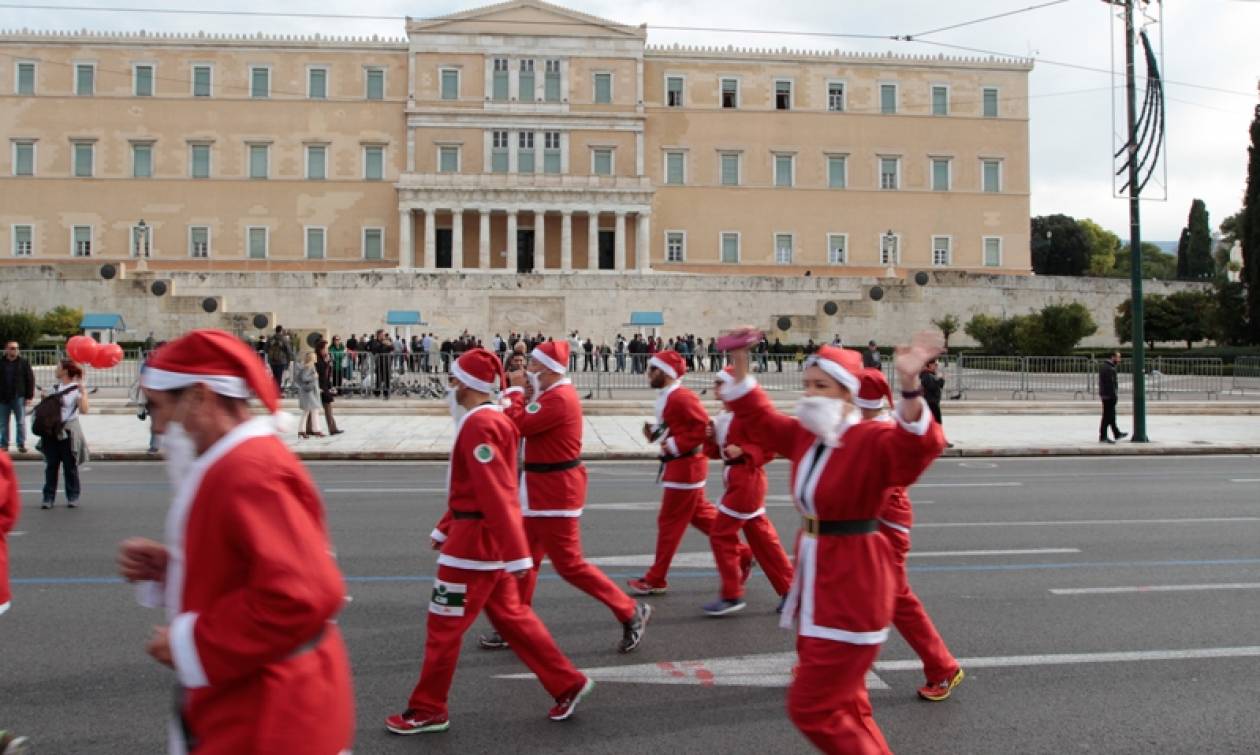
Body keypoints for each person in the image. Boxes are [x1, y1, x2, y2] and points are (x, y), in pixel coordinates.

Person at [118, 329, 354, 754]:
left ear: (200, 397)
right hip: (255, 702)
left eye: (157, 407)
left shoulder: (247, 470)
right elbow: (256, 568)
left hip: (269, 714)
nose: (156, 425)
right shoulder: (231, 463)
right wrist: (178, 568)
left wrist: (191, 643)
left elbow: (304, 595)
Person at [720, 332, 946, 754]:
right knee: (849, 704)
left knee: (812, 709)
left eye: (821, 386)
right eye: (806, 384)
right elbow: (761, 417)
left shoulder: (869, 440)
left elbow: (916, 446)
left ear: (848, 392)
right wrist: (740, 359)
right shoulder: (808, 437)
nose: (809, 394)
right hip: (819, 580)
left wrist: (910, 384)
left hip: (853, 584)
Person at [386, 348, 592, 736]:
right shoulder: (491, 420)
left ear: (465, 383)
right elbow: (477, 488)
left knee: (443, 628)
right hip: (479, 542)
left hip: (473, 550)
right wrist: (446, 525)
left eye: (453, 379)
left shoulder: (480, 425)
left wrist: (516, 555)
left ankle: (428, 709)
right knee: (513, 618)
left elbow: (496, 493)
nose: (450, 387)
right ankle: (567, 682)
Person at [480, 341, 652, 652]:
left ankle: (630, 610)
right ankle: (515, 622)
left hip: (556, 492)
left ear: (546, 369)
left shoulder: (560, 398)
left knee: (569, 564)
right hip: (538, 489)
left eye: (532, 366)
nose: (527, 370)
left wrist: (517, 392)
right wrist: (520, 392)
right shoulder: (549, 395)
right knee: (524, 560)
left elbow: (520, 424)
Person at [855, 368, 963, 702]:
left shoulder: (880, 431)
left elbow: (881, 488)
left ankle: (942, 666)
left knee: (895, 598)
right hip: (877, 524)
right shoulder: (862, 427)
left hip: (885, 525)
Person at [627, 351, 750, 596]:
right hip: (682, 465)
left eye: (652, 369)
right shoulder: (670, 397)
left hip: (686, 468)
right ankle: (742, 552)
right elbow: (681, 427)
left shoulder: (681, 397)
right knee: (700, 516)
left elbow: (703, 428)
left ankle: (656, 578)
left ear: (664, 372)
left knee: (669, 524)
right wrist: (660, 434)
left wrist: (673, 444)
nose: (647, 374)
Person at [702, 369, 794, 616]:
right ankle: (792, 590)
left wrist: (743, 449)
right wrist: (709, 439)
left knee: (721, 534)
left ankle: (731, 594)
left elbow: (769, 448)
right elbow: (713, 453)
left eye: (721, 383)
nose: (716, 387)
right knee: (763, 540)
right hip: (737, 480)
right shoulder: (723, 416)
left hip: (747, 481)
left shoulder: (749, 416)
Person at [36, 360, 88, 509]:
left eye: (58, 367)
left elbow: (84, 410)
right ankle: (48, 498)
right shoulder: (54, 388)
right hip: (51, 432)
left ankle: (72, 496)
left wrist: (83, 393)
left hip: (68, 432)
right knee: (51, 466)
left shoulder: (76, 389)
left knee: (70, 466)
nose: (56, 369)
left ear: (65, 371)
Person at [1, 341, 35, 454]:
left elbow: (30, 379)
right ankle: (4, 444)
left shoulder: (23, 363)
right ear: (6, 349)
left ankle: (21, 444)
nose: (15, 350)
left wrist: (29, 396)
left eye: (16, 348)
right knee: (3, 423)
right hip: (3, 397)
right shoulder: (1, 362)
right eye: (12, 348)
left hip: (18, 397)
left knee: (20, 422)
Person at [920, 358, 952, 448]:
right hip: (931, 403)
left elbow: (939, 385)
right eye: (935, 364)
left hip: (932, 402)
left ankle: (936, 441)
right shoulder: (926, 375)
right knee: (937, 424)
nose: (937, 366)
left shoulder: (929, 374)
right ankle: (941, 441)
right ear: (929, 365)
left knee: (933, 424)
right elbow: (933, 386)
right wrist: (941, 379)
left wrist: (942, 379)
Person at [1098, 351, 1128, 444]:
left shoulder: (1106, 367)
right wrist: (1113, 395)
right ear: (1112, 357)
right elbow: (1110, 384)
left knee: (1111, 416)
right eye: (1118, 357)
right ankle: (1103, 436)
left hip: (1106, 395)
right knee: (1107, 416)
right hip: (1109, 396)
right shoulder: (1109, 369)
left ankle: (1116, 433)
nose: (1119, 360)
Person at [316, 341, 343, 436]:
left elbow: (327, 375)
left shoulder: (325, 359)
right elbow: (321, 373)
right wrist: (326, 363)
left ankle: (333, 428)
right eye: (325, 348)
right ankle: (308, 429)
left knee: (327, 407)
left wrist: (330, 386)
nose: (327, 350)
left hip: (325, 387)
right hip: (319, 387)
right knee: (312, 409)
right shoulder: (317, 359)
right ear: (320, 349)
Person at [295, 351, 324, 438]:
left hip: (309, 392)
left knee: (307, 412)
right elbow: (304, 378)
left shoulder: (308, 366)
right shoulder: (309, 367)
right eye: (314, 357)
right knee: (313, 411)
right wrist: (314, 377)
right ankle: (316, 430)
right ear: (312, 358)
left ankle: (302, 430)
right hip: (309, 393)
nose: (316, 358)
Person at [266, 325, 293, 391]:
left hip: (272, 360)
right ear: (281, 330)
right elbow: (288, 350)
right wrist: (290, 358)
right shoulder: (284, 339)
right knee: (279, 375)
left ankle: (273, 389)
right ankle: (277, 390)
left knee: (275, 375)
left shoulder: (271, 338)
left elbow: (266, 349)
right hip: (281, 360)